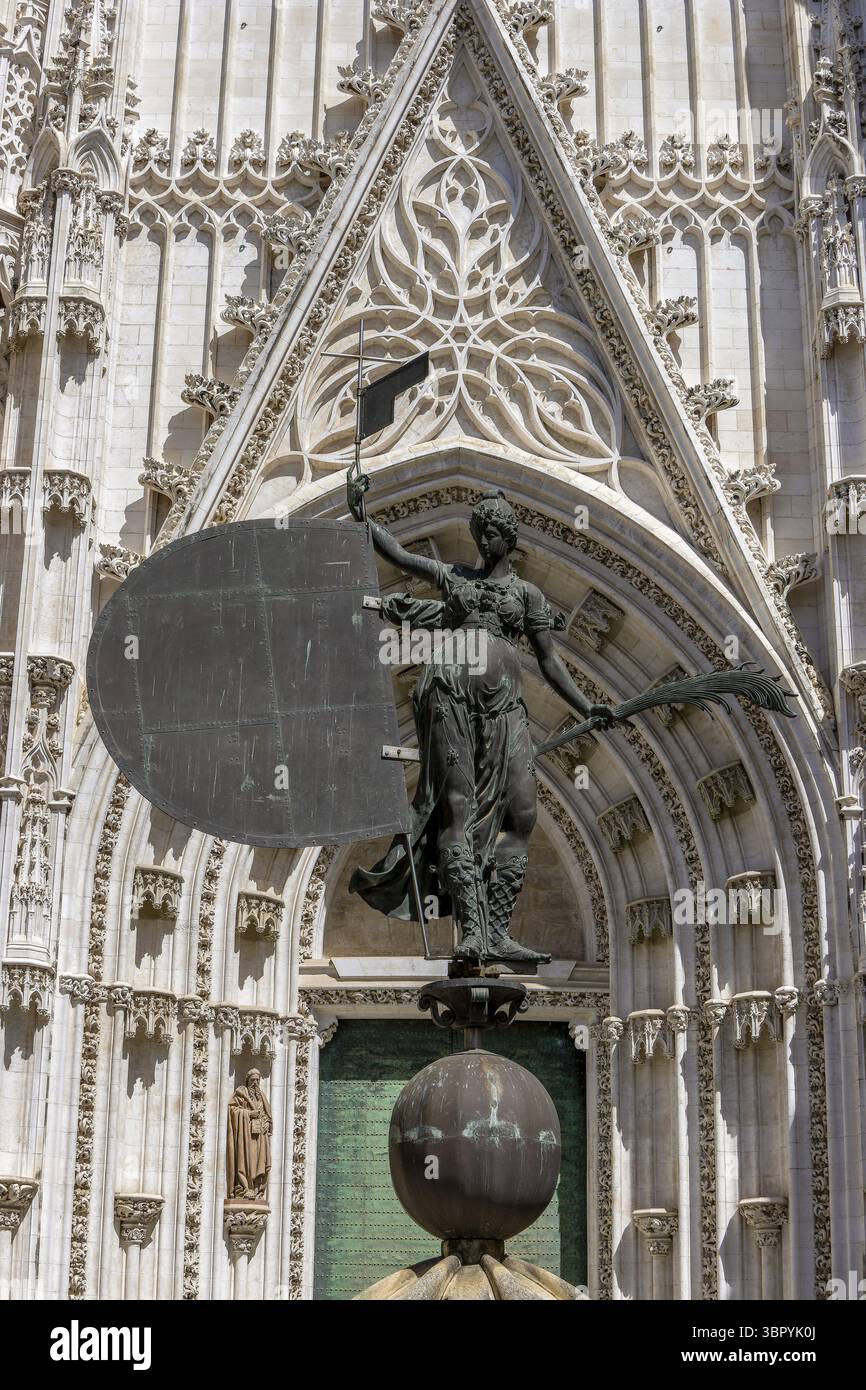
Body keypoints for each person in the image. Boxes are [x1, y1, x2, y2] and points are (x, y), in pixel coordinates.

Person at [347, 477, 615, 965]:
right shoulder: (457, 578)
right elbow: (402, 559)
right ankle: (473, 933)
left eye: (491, 533)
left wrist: (587, 705)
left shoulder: (528, 595)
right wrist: (365, 518)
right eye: (479, 531)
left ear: (508, 538)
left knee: (522, 811)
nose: (483, 541)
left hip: (505, 704)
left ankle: (497, 930)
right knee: (457, 808)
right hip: (449, 691)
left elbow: (550, 660)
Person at [226, 1068, 272, 1201]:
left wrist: (266, 1123)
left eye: (258, 1080)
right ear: (248, 1080)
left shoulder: (261, 1096)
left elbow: (267, 1115)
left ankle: (257, 1188)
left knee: (260, 1161)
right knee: (246, 1160)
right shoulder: (241, 1093)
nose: (255, 1083)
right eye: (253, 1080)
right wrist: (249, 1114)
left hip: (260, 1137)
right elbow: (234, 1111)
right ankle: (245, 1187)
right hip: (246, 1137)